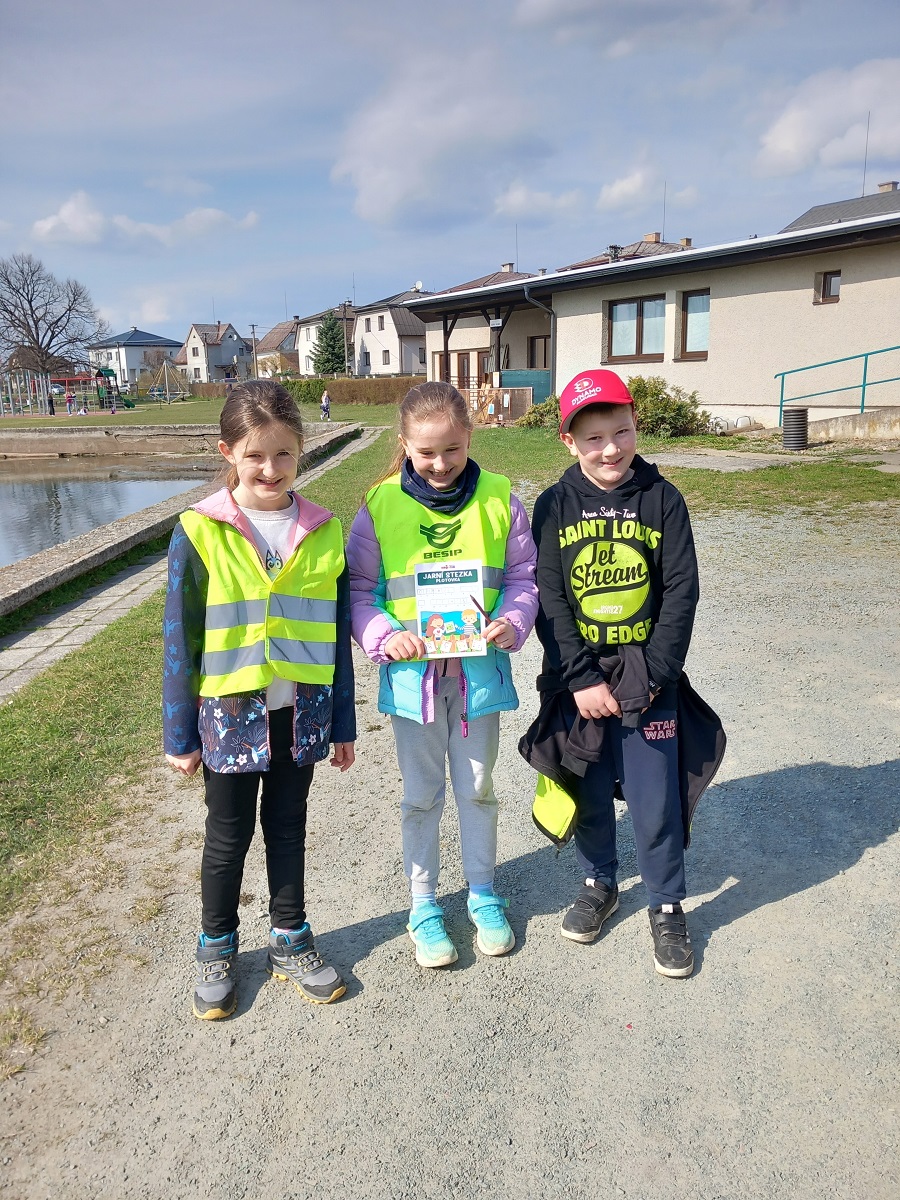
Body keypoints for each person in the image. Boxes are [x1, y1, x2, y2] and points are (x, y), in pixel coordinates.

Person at [521, 369, 724, 979]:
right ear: (568, 441)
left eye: (621, 432)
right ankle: (599, 881)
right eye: (593, 438)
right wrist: (580, 678)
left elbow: (681, 591)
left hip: (649, 679)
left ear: (636, 424)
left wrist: (655, 673)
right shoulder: (554, 505)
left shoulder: (663, 500)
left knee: (654, 797)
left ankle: (666, 903)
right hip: (579, 680)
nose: (610, 449)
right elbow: (550, 599)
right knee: (586, 788)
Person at [163, 379, 356, 1019]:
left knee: (288, 827)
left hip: (300, 713)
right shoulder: (198, 531)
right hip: (228, 714)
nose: (270, 469)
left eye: (283, 454)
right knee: (227, 835)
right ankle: (216, 944)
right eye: (255, 456)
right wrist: (179, 735)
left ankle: (290, 936)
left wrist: (343, 724)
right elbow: (181, 639)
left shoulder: (324, 531)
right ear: (228, 453)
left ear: (302, 451)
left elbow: (335, 638)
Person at [347, 381, 538, 968]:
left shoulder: (501, 499)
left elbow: (523, 578)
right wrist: (385, 636)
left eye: (452, 449)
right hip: (415, 685)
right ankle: (423, 906)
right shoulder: (379, 505)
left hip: (478, 680)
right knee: (421, 796)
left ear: (469, 437)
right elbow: (360, 592)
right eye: (426, 451)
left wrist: (513, 620)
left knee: (478, 790)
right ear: (404, 443)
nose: (439, 464)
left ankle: (483, 893)